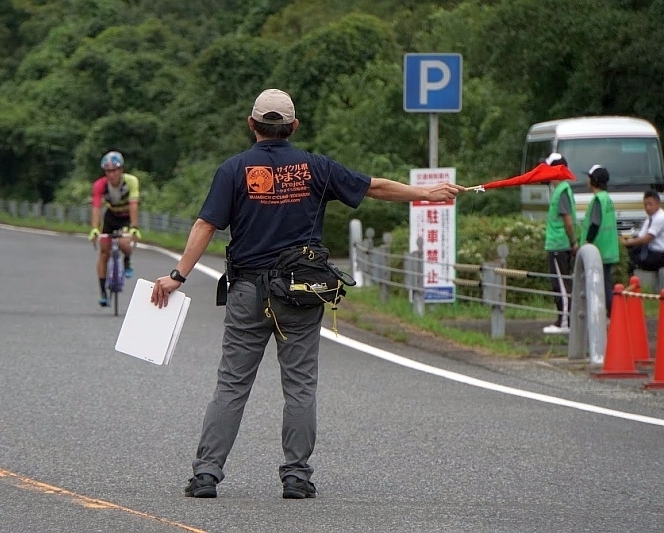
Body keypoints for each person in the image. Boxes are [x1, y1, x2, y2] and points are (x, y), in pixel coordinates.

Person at [150, 88, 464, 499]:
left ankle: (207, 474)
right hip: (300, 291)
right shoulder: (316, 167)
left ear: (252, 125)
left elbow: (206, 226)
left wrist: (177, 275)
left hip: (246, 291)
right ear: (293, 127)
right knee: (299, 385)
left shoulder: (233, 170)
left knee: (231, 385)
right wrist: (428, 193)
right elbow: (375, 188)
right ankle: (296, 476)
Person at [89, 151, 140, 307]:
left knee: (125, 243)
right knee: (104, 252)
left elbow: (133, 205)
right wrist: (95, 229)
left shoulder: (131, 182)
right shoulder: (100, 185)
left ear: (121, 170)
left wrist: (134, 227)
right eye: (108, 171)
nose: (112, 174)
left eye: (115, 170)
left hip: (125, 216)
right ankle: (103, 292)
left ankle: (127, 260)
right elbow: (97, 207)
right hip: (111, 216)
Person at [541, 153, 578, 334]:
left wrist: (573, 242)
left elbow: (568, 221)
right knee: (561, 283)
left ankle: (564, 323)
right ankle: (563, 320)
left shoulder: (561, 191)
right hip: (558, 244)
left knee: (561, 285)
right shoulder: (561, 190)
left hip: (559, 244)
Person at [580, 165, 619, 317]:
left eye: (589, 177)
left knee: (602, 285)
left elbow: (595, 224)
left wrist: (587, 243)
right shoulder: (607, 198)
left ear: (594, 180)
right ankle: (611, 314)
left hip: (598, 250)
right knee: (605, 283)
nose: (586, 180)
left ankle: (611, 315)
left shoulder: (598, 200)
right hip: (608, 249)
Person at [620, 190, 664, 276]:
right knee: (629, 252)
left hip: (662, 254)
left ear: (658, 204)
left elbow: (646, 239)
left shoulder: (661, 217)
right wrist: (627, 240)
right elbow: (640, 236)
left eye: (650, 204)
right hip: (652, 251)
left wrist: (626, 243)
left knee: (632, 259)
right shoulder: (650, 217)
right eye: (645, 205)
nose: (647, 208)